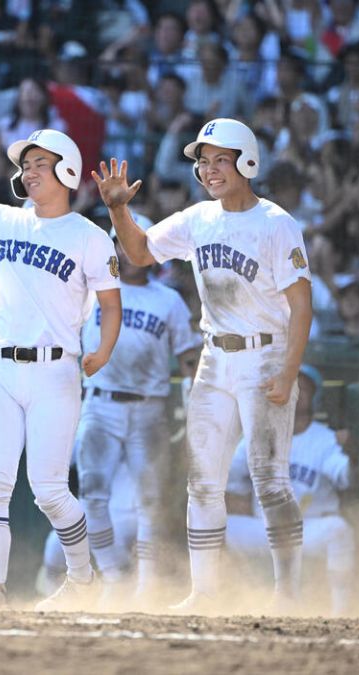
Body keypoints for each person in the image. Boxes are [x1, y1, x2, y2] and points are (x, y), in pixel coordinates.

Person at [94, 117, 314, 614]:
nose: (209, 170)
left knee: (269, 478)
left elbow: (302, 306)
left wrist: (289, 371)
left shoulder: (276, 222)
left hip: (266, 354)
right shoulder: (197, 218)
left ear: (247, 162)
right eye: (203, 162)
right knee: (202, 481)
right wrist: (118, 210)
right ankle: (204, 593)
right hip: (215, 358)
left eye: (220, 160)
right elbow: (140, 252)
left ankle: (288, 594)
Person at [0, 117, 122, 611]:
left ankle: (82, 579)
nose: (29, 172)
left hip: (56, 371)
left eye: (40, 163)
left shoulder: (89, 236)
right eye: (27, 165)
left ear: (68, 171)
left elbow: (111, 302)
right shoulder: (4, 218)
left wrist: (103, 349)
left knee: (49, 490)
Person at [76, 215, 202, 609]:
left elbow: (189, 359)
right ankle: (113, 576)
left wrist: (195, 406)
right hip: (100, 402)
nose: (126, 251)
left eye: (134, 243)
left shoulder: (168, 300)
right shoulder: (91, 290)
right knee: (92, 496)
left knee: (150, 500)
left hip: (149, 407)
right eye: (119, 242)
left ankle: (147, 585)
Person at [226, 366, 355, 616]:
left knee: (338, 530)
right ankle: (222, 600)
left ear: (315, 397)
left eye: (303, 388)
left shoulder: (325, 439)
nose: (295, 391)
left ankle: (341, 611)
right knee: (214, 527)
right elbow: (228, 475)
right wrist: (239, 496)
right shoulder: (257, 435)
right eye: (290, 384)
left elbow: (345, 477)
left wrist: (353, 455)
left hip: (308, 529)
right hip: (264, 529)